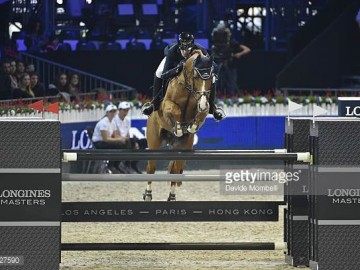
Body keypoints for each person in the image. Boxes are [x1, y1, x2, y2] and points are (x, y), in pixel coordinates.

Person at [141, 32, 225, 121]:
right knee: (159, 72)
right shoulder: (172, 51)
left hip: (190, 69)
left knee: (212, 79)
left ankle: (213, 107)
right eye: (183, 49)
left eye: (188, 50)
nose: (185, 52)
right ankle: (154, 104)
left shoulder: (200, 49)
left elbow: (215, 66)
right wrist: (179, 68)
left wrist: (212, 73)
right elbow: (165, 74)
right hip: (174, 63)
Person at [211, 21, 250, 96]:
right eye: (219, 35)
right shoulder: (214, 45)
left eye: (222, 35)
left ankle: (231, 100)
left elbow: (247, 49)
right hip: (218, 66)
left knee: (231, 85)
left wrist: (239, 54)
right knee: (215, 84)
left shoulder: (232, 43)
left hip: (230, 66)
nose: (221, 37)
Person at [92, 104, 132, 174]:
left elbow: (115, 135)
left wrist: (123, 139)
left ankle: (120, 164)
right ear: (107, 112)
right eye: (111, 111)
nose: (113, 113)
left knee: (126, 143)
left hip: (105, 142)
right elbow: (106, 139)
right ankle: (112, 165)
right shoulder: (104, 122)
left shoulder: (112, 122)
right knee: (117, 145)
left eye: (114, 111)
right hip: (99, 143)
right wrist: (120, 139)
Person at [113, 101, 147, 174]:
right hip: (118, 140)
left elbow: (128, 133)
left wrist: (134, 142)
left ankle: (134, 163)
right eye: (124, 110)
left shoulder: (127, 119)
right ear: (119, 110)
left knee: (144, 142)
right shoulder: (114, 120)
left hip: (126, 139)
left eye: (127, 110)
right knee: (130, 143)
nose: (126, 112)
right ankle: (127, 164)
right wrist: (130, 141)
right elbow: (116, 134)